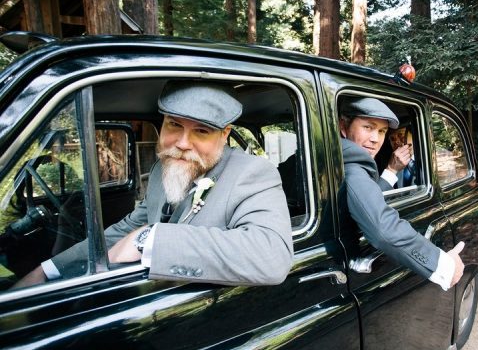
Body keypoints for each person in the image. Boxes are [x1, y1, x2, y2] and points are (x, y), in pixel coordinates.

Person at [15, 80, 293, 288]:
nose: (183, 143)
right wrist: (50, 270)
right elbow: (128, 227)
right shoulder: (163, 169)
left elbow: (271, 256)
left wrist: (148, 239)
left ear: (224, 135)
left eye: (201, 131)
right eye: (174, 125)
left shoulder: (253, 172)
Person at [338, 97, 464, 290]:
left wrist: (390, 170)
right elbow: (382, 228)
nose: (375, 139)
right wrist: (444, 266)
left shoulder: (328, 160)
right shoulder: (354, 167)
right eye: (368, 127)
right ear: (343, 127)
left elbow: (363, 200)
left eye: (382, 131)